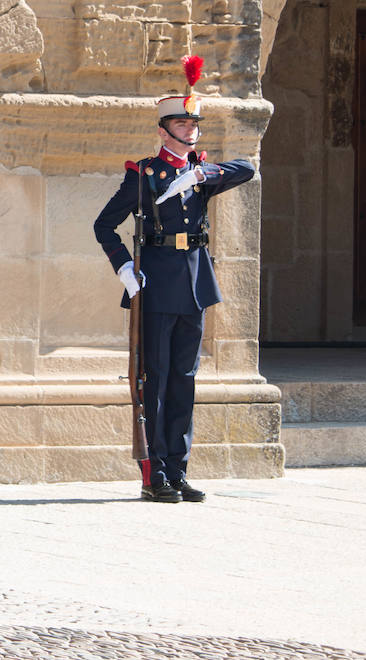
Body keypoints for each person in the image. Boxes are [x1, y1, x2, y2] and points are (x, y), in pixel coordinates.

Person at [92, 56, 255, 503]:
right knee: (158, 377)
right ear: (163, 130)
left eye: (194, 123)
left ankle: (180, 469)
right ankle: (156, 471)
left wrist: (204, 173)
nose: (191, 129)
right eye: (182, 123)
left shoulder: (201, 174)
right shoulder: (144, 175)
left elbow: (249, 167)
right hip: (156, 282)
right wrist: (125, 269)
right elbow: (104, 225)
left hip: (195, 282)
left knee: (186, 377)